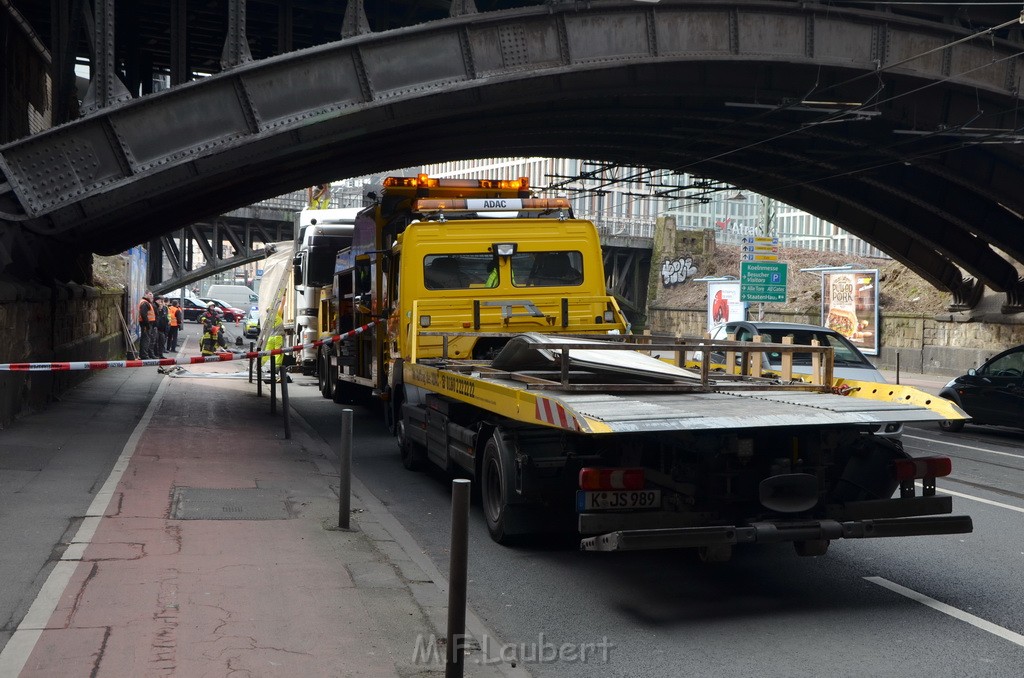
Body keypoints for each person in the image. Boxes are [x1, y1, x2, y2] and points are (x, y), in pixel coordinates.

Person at [137, 291, 157, 359]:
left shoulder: (146, 302)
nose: (152, 296)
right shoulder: (145, 303)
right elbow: (143, 315)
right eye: (150, 294)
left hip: (147, 323)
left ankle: (143, 354)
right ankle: (144, 355)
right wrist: (147, 325)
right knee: (146, 339)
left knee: (145, 339)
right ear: (145, 294)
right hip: (146, 324)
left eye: (152, 294)